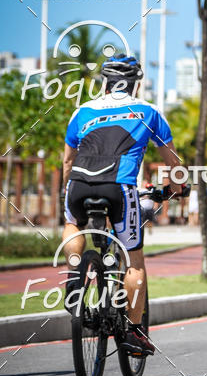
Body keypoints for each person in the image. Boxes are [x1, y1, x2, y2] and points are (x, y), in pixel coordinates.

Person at [62, 54, 183, 355]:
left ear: (105, 83)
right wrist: (177, 188)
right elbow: (173, 162)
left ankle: (75, 278)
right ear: (135, 84)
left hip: (78, 183)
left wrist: (66, 190)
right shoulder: (148, 111)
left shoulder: (82, 111)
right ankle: (132, 332)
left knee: (72, 224)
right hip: (119, 186)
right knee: (134, 259)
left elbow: (67, 161)